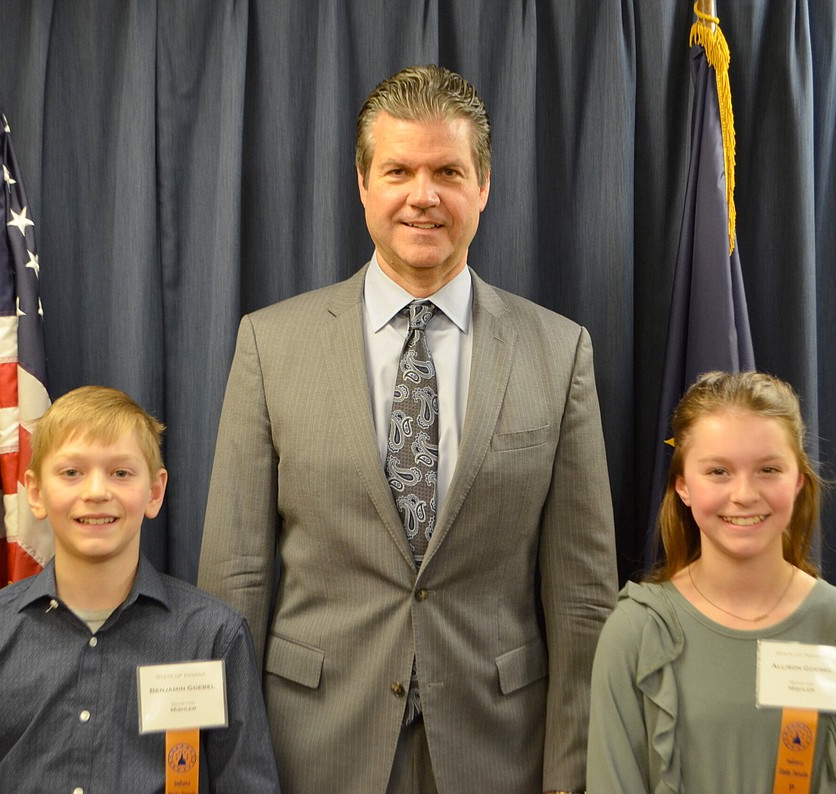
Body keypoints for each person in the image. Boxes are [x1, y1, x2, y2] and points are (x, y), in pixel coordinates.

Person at [198, 64, 618, 794]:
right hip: (312, 749)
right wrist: (235, 768)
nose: (423, 196)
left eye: (448, 171)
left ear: (483, 186)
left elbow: (583, 595)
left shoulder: (558, 352)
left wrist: (571, 777)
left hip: (499, 752)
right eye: (398, 170)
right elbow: (235, 577)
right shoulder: (271, 345)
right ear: (363, 184)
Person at [0, 386, 280, 793]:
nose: (97, 492)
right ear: (35, 492)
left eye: (121, 473)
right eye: (71, 472)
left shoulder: (213, 637)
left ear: (154, 492)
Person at [587, 371, 836, 792]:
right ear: (683, 487)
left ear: (798, 481)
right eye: (718, 471)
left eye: (768, 469)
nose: (744, 494)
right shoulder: (636, 633)